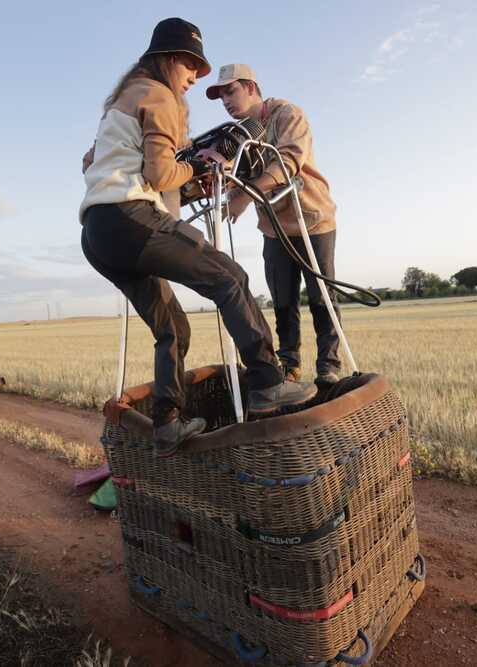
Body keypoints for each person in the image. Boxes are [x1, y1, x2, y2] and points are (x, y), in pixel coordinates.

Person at [80, 18, 317, 456]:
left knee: (172, 329)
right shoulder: (160, 96)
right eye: (192, 67)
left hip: (96, 233)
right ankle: (267, 382)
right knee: (229, 277)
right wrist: (201, 166)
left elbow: (91, 163)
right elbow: (162, 173)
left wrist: (177, 174)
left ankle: (167, 423)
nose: (193, 78)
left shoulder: (119, 102)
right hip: (132, 219)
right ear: (170, 60)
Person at [207, 64, 342, 385]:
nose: (225, 101)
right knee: (283, 301)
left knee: (322, 297)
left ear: (251, 87)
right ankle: (290, 365)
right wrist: (221, 177)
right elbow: (235, 172)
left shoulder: (287, 114)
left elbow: (290, 161)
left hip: (312, 219)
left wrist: (245, 194)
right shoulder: (239, 132)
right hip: (272, 227)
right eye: (220, 96)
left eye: (230, 91)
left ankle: (329, 365)